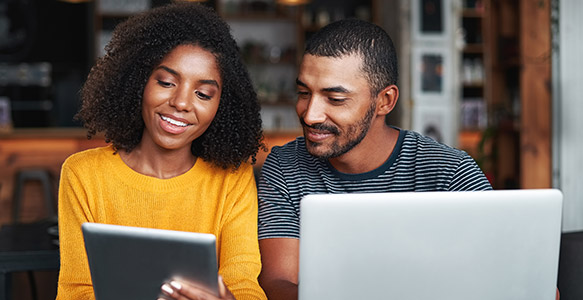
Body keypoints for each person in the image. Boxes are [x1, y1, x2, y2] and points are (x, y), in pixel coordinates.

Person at [256, 19, 492, 300]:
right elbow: (278, 283)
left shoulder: (450, 172)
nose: (310, 115)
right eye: (304, 93)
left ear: (385, 101)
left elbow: (519, 279)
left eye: (335, 99)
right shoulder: (285, 165)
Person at [56, 3, 267, 300]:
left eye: (203, 94)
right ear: (138, 81)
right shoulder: (84, 174)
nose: (181, 102)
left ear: (222, 107)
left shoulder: (231, 179)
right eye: (166, 82)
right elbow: (75, 292)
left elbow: (245, 286)